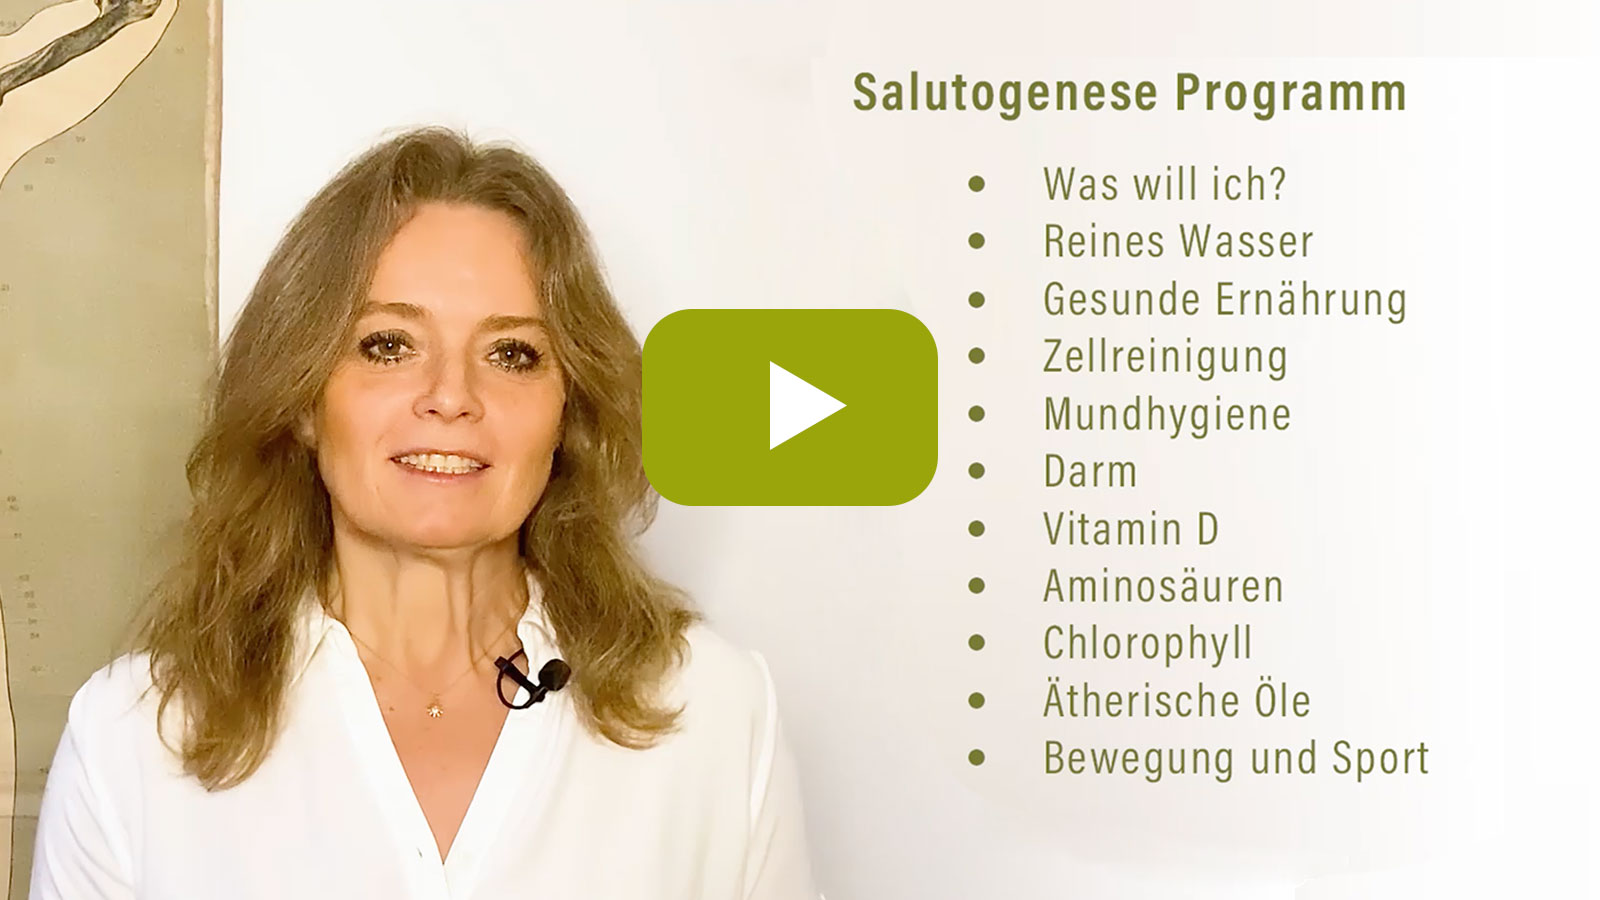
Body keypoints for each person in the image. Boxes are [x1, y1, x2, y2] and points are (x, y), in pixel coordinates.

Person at [28, 125, 822, 899]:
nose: (450, 396)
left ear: (569, 412)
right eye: (389, 345)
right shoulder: (133, 740)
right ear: (302, 400)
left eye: (511, 354)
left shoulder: (715, 712)